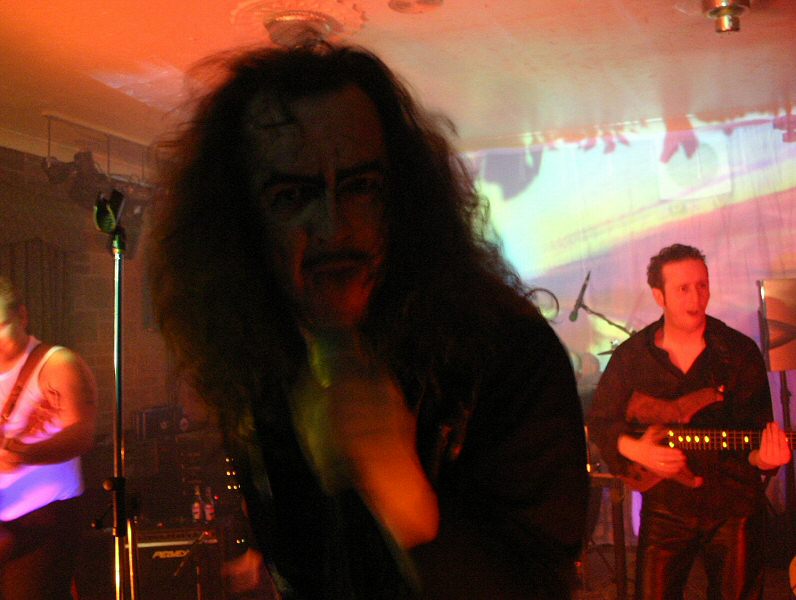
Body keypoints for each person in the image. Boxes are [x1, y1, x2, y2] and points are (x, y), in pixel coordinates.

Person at [148, 42, 588, 599]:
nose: (336, 228)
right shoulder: (259, 353)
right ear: (240, 219)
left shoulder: (509, 351)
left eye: (360, 187)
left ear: (404, 197)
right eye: (292, 196)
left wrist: (402, 492)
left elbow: (541, 583)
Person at [588, 244, 792, 600]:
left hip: (734, 507)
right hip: (666, 508)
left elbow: (756, 436)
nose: (696, 298)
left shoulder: (738, 352)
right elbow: (602, 421)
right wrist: (637, 450)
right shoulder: (633, 357)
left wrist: (764, 458)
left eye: (702, 285)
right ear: (659, 295)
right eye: (683, 288)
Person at [0, 275, 98, 599]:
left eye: (1, 326)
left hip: (44, 523)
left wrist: (26, 454)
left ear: (22, 316)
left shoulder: (57, 364)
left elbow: (82, 433)